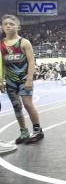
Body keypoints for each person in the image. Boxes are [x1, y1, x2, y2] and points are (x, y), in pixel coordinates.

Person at [0, 14, 44, 144]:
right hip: (10, 80)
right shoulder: (1, 44)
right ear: (2, 27)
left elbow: (31, 62)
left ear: (18, 27)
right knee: (16, 106)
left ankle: (37, 131)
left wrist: (30, 79)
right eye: (5, 24)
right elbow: (1, 64)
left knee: (27, 104)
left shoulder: (24, 42)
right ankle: (24, 132)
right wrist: (1, 80)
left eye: (11, 24)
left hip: (24, 79)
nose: (8, 26)